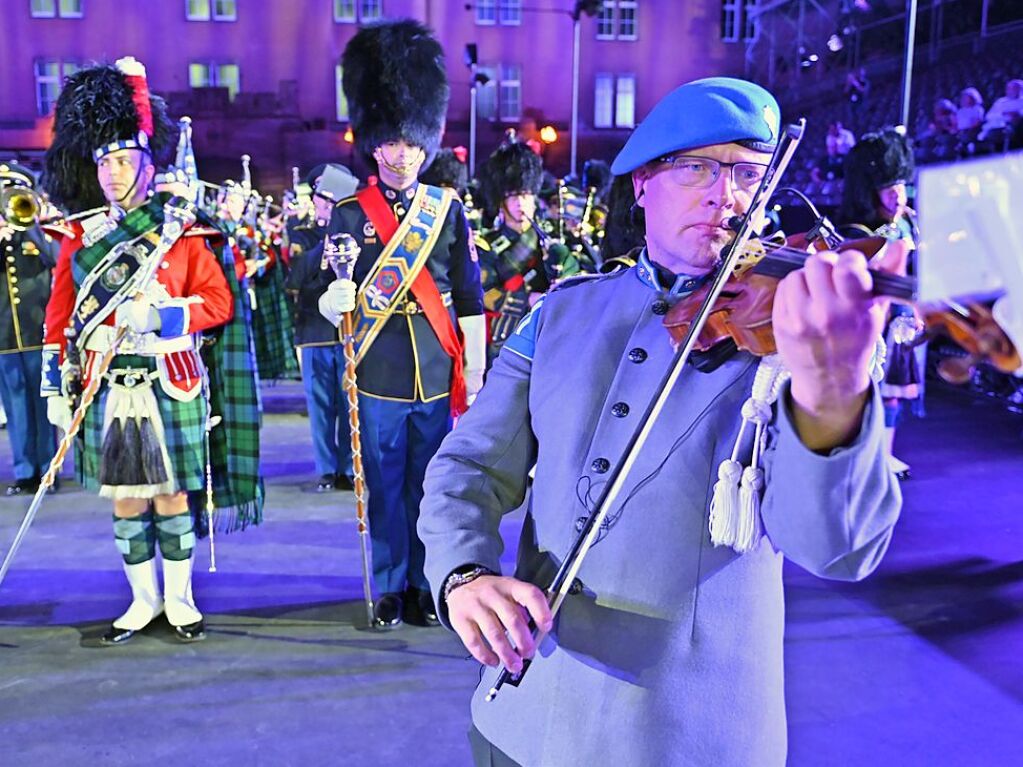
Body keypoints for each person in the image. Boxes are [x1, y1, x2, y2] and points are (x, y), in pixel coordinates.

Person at [418, 76, 902, 766]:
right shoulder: (560, 314)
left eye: (746, 173)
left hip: (689, 737)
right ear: (643, 182)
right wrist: (462, 573)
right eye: (696, 168)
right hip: (525, 720)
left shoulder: (799, 333)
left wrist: (831, 389)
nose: (724, 194)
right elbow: (467, 466)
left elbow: (837, 549)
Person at [41, 58, 235, 645]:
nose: (113, 173)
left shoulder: (184, 232)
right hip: (107, 381)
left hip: (168, 377)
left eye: (125, 160)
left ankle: (179, 597)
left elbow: (220, 302)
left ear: (150, 166)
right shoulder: (81, 236)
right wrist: (56, 385)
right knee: (125, 499)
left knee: (173, 493)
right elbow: (59, 317)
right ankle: (142, 599)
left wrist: (166, 314)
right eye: (105, 162)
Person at [316, 20, 486, 629]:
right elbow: (325, 288)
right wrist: (333, 302)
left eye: (412, 144)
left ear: (427, 142)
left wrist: (476, 364)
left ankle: (425, 582)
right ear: (373, 142)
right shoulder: (346, 214)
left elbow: (468, 292)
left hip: (437, 367)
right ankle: (389, 583)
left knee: (429, 485)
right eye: (390, 142)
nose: (401, 154)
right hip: (379, 367)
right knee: (385, 486)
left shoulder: (448, 210)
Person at [838, 127, 922, 480]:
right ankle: (866, 457)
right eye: (889, 189)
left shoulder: (909, 224)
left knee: (894, 396)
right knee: (866, 394)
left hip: (902, 322)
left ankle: (886, 455)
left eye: (901, 186)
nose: (897, 197)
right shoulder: (858, 231)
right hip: (871, 326)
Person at [285, 164, 358, 492]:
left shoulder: (354, 233)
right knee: (320, 405)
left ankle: (348, 466)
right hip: (314, 332)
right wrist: (322, 250)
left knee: (348, 401)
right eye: (320, 200)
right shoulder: (301, 232)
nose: (324, 207)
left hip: (346, 332)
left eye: (331, 202)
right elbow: (295, 278)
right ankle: (327, 468)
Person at [0, 162, 59, 495]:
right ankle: (24, 472)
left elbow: (56, 258)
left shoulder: (43, 231)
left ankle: (47, 469)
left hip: (38, 331)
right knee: (16, 403)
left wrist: (32, 226)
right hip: (5, 336)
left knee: (42, 402)